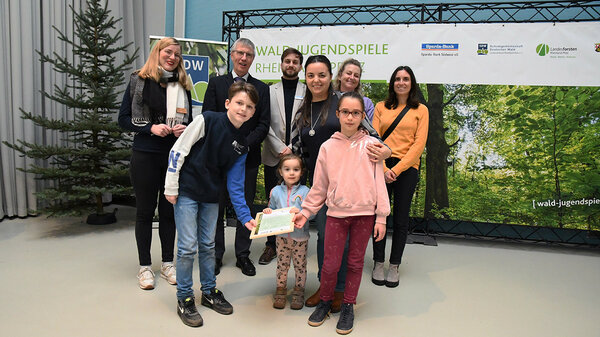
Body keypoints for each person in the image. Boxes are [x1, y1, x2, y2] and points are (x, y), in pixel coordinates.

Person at [293, 55, 390, 313]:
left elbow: (375, 139)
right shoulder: (302, 109)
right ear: (306, 78)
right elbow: (296, 150)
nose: (316, 80)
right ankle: (324, 288)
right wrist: (294, 186)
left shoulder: (343, 103)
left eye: (322, 75)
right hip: (320, 185)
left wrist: (387, 153)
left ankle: (340, 293)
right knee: (325, 240)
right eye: (311, 75)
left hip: (351, 188)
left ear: (330, 76)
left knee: (347, 245)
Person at [164, 82, 258, 327]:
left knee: (208, 245)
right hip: (187, 190)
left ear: (253, 112)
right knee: (186, 247)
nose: (243, 109)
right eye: (239, 103)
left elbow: (236, 185)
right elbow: (178, 150)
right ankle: (184, 297)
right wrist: (171, 186)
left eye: (249, 106)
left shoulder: (242, 144)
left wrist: (245, 216)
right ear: (228, 103)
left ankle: (208, 292)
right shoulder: (207, 120)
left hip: (210, 196)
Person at [118, 37, 192, 290]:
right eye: (167, 52)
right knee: (145, 213)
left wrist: (184, 128)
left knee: (169, 212)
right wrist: (151, 127)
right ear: (157, 52)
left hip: (173, 156)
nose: (172, 57)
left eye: (177, 55)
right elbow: (124, 120)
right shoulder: (138, 79)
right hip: (145, 154)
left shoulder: (183, 84)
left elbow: (190, 120)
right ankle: (145, 268)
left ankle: (168, 264)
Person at [203, 37, 270, 277]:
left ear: (253, 59)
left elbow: (263, 125)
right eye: (240, 53)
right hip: (218, 160)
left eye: (248, 55)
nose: (243, 58)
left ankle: (243, 254)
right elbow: (208, 117)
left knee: (247, 206)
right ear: (232, 55)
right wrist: (226, 145)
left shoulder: (262, 89)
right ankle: (216, 254)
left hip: (248, 158)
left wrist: (243, 144)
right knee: (216, 207)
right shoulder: (216, 83)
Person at [371, 66, 429, 288]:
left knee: (401, 218)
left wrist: (398, 169)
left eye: (406, 79)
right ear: (392, 83)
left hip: (407, 168)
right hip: (381, 165)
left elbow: (419, 143)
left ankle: (394, 265)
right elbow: (375, 139)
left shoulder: (421, 110)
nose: (401, 82)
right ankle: (378, 261)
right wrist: (384, 168)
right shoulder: (380, 107)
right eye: (397, 79)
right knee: (379, 216)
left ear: (412, 83)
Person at [259, 48, 306, 266]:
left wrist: (293, 148)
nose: (291, 64)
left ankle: (295, 242)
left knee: (296, 202)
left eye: (295, 62)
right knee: (274, 200)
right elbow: (264, 122)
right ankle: (271, 244)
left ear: (300, 66)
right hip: (273, 153)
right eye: (287, 61)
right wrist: (280, 147)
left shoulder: (307, 91)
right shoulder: (269, 91)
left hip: (297, 156)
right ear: (281, 64)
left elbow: (307, 122)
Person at [261, 154, 310, 310]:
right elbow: (273, 209)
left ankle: (298, 292)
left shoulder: (305, 191)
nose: (291, 173)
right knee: (282, 266)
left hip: (300, 238)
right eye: (287, 169)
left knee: (300, 266)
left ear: (301, 172)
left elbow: (312, 212)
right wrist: (268, 212)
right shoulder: (275, 191)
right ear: (280, 171)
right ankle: (280, 291)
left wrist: (301, 211)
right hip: (281, 238)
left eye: (296, 169)